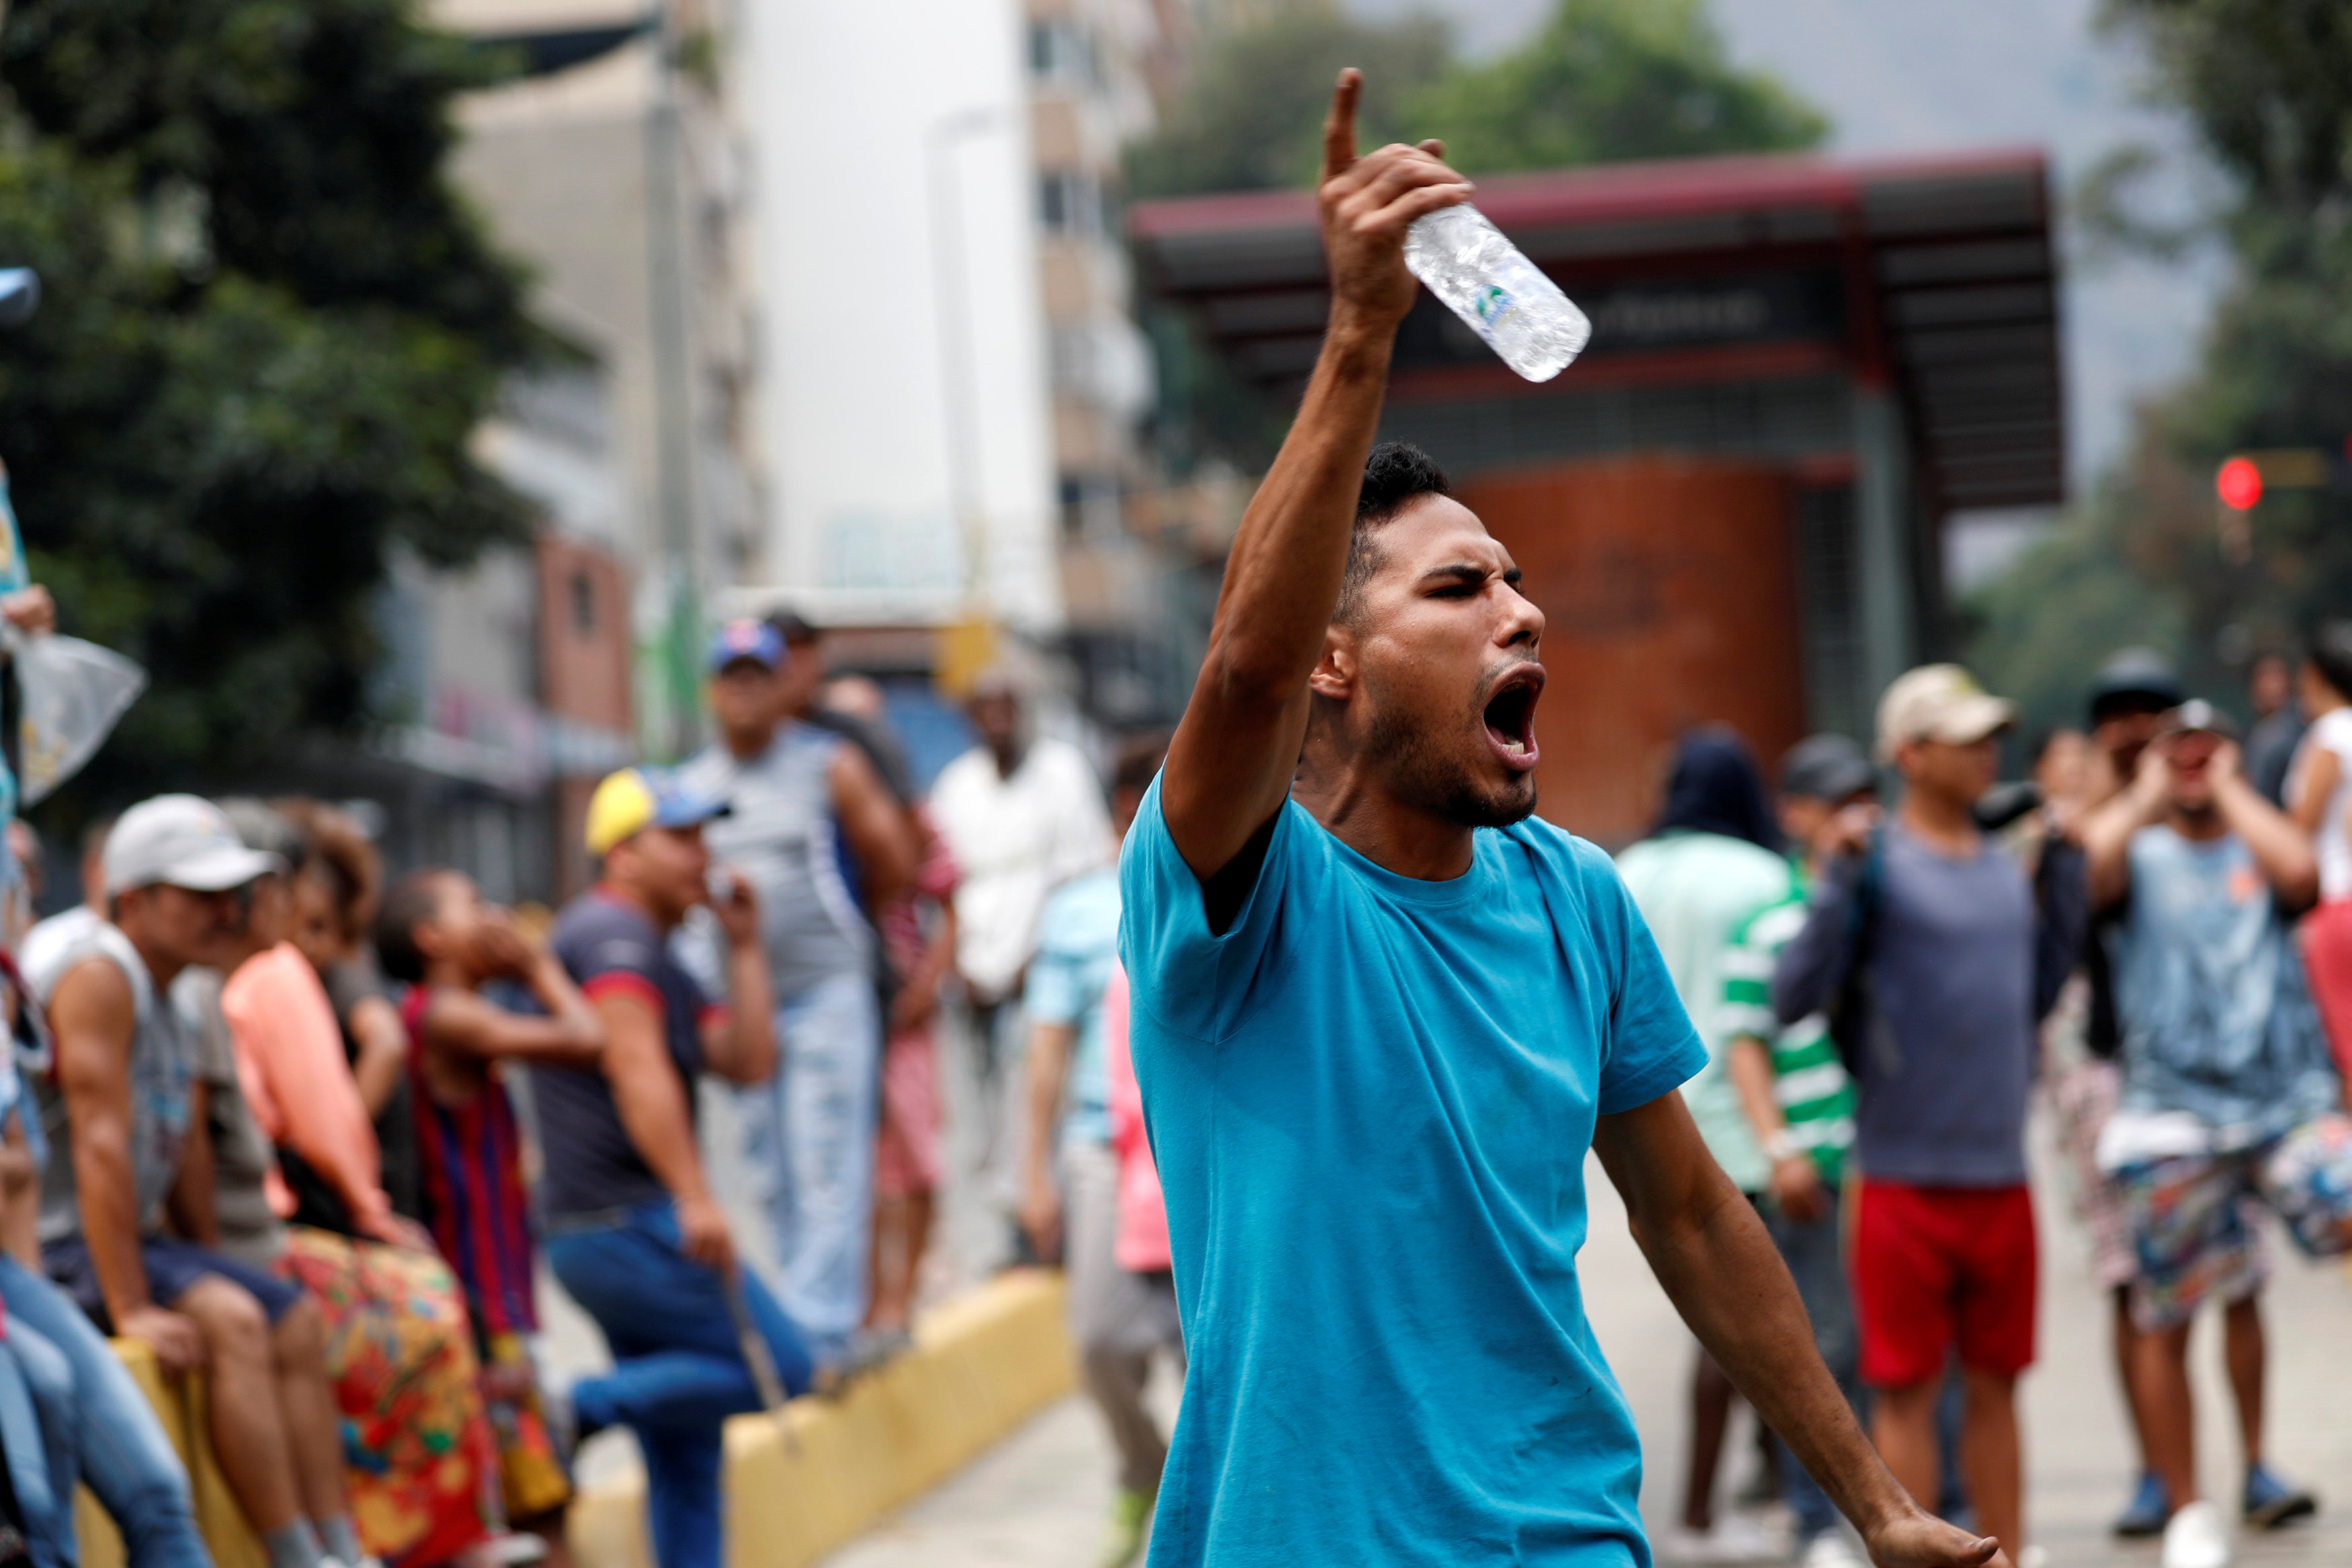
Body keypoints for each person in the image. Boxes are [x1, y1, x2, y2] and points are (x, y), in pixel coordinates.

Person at [1119, 71, 1999, 1568]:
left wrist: (1877, 1504)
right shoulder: (1234, 896)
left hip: (1569, 1538)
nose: (1522, 614)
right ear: (1335, 661)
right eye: (1459, 591)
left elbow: (1695, 1218)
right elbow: (1243, 666)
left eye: (1518, 581)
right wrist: (1356, 334)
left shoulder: (1570, 897)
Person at [1772, 665, 2085, 1565]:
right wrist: (1836, 880)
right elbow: (1792, 996)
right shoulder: (1875, 864)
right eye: (1967, 737)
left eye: (1994, 734)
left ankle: (2006, 1557)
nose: (1990, 751)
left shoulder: (2007, 867)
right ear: (1910, 754)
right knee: (1903, 1391)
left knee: (1997, 1389)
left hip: (1999, 1176)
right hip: (1901, 1178)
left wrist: (2061, 877)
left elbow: (2037, 994)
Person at [28, 795, 368, 1568]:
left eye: (234, 894)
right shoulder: (98, 970)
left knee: (292, 1317)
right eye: (200, 895)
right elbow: (101, 1146)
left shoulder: (182, 984)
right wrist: (133, 1306)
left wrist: (208, 1256)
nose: (228, 912)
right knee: (230, 1316)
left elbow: (180, 1150)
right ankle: (296, 1557)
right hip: (57, 1243)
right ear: (133, 899)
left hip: (124, 1235)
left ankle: (343, 1549)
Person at [2081, 700, 2352, 1568]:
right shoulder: (2139, 847)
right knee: (2168, 1307)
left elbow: (2302, 873)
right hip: (2171, 1113)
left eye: (2209, 746)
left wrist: (2228, 786)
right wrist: (2154, 785)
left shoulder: (2254, 835)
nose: (2194, 761)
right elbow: (2088, 874)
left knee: (2252, 1286)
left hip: (2282, 1104)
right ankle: (2189, 1507)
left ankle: (2258, 1466)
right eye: (2179, 748)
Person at [206, 801, 507, 1568]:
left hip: (246, 1229)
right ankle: (425, 1540)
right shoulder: (275, 975)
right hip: (273, 1230)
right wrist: (370, 1212)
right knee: (426, 1307)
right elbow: (329, 1119)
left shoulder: (211, 977)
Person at [538, 767, 812, 1568]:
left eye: (705, 834)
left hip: (606, 1229)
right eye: (682, 837)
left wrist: (747, 948)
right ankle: (577, 1405)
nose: (704, 854)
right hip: (625, 1220)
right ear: (621, 855)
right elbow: (635, 1068)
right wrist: (695, 1198)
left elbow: (746, 1060)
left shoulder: (658, 949)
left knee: (686, 1452)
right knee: (784, 1369)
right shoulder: (608, 934)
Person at [675, 619, 914, 1369]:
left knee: (825, 1159)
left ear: (783, 686)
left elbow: (893, 859)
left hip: (826, 993)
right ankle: (796, 1314)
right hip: (745, 1005)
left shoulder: (828, 765)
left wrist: (842, 924)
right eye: (732, 676)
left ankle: (820, 1332)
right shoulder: (690, 787)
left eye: (759, 675)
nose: (745, 690)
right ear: (712, 690)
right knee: (765, 1166)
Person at [378, 867, 606, 1564]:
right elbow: (585, 1037)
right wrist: (537, 964)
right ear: (432, 936)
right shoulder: (446, 1015)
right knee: (541, 1504)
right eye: (474, 905)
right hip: (482, 1303)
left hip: (491, 1299)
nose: (497, 913)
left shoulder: (448, 1010)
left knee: (523, 1502)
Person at [1616, 730, 1799, 1566]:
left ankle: (1750, 1494)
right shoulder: (1763, 876)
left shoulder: (1627, 871)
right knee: (1752, 1316)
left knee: (1731, 1316)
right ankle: (1707, 1511)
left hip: (1641, 1118)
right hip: (1747, 1123)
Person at [1017, 736, 1181, 1568]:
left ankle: (1211, 1516)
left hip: (1198, 1153)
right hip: (1099, 1155)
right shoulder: (1080, 910)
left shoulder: (1226, 894)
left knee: (1211, 1358)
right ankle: (1141, 1471)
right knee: (1097, 1341)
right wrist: (1030, 1174)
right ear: (1127, 807)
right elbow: (1045, 1047)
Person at [1722, 734, 1878, 1568]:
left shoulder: (1887, 899)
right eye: (1834, 800)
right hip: (1811, 1161)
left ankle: (1928, 1507)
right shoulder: (1765, 921)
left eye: (1864, 796)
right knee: (1819, 1344)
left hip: (1889, 1158)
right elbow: (1744, 1044)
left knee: (1898, 1347)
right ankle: (1818, 1525)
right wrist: (1777, 1146)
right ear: (1794, 816)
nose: (1855, 814)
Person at [931, 668, 1111, 1250]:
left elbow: (1077, 872)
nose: (998, 720)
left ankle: (1046, 1229)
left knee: (1038, 1096)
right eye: (985, 709)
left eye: (1008, 707)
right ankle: (1010, 1224)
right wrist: (955, 963)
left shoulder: (1061, 772)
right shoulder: (957, 785)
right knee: (981, 1109)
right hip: (976, 977)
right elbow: (946, 883)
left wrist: (1033, 962)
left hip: (1041, 969)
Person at [2287, 624, 2352, 1082]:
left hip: (2334, 903)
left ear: (2313, 675)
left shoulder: (2329, 737)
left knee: (2344, 1045)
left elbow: (2300, 830)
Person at [2242, 651, 2303, 808]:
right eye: (2265, 677)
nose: (2273, 685)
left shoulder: (2298, 729)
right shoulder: (2254, 732)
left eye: (2279, 676)